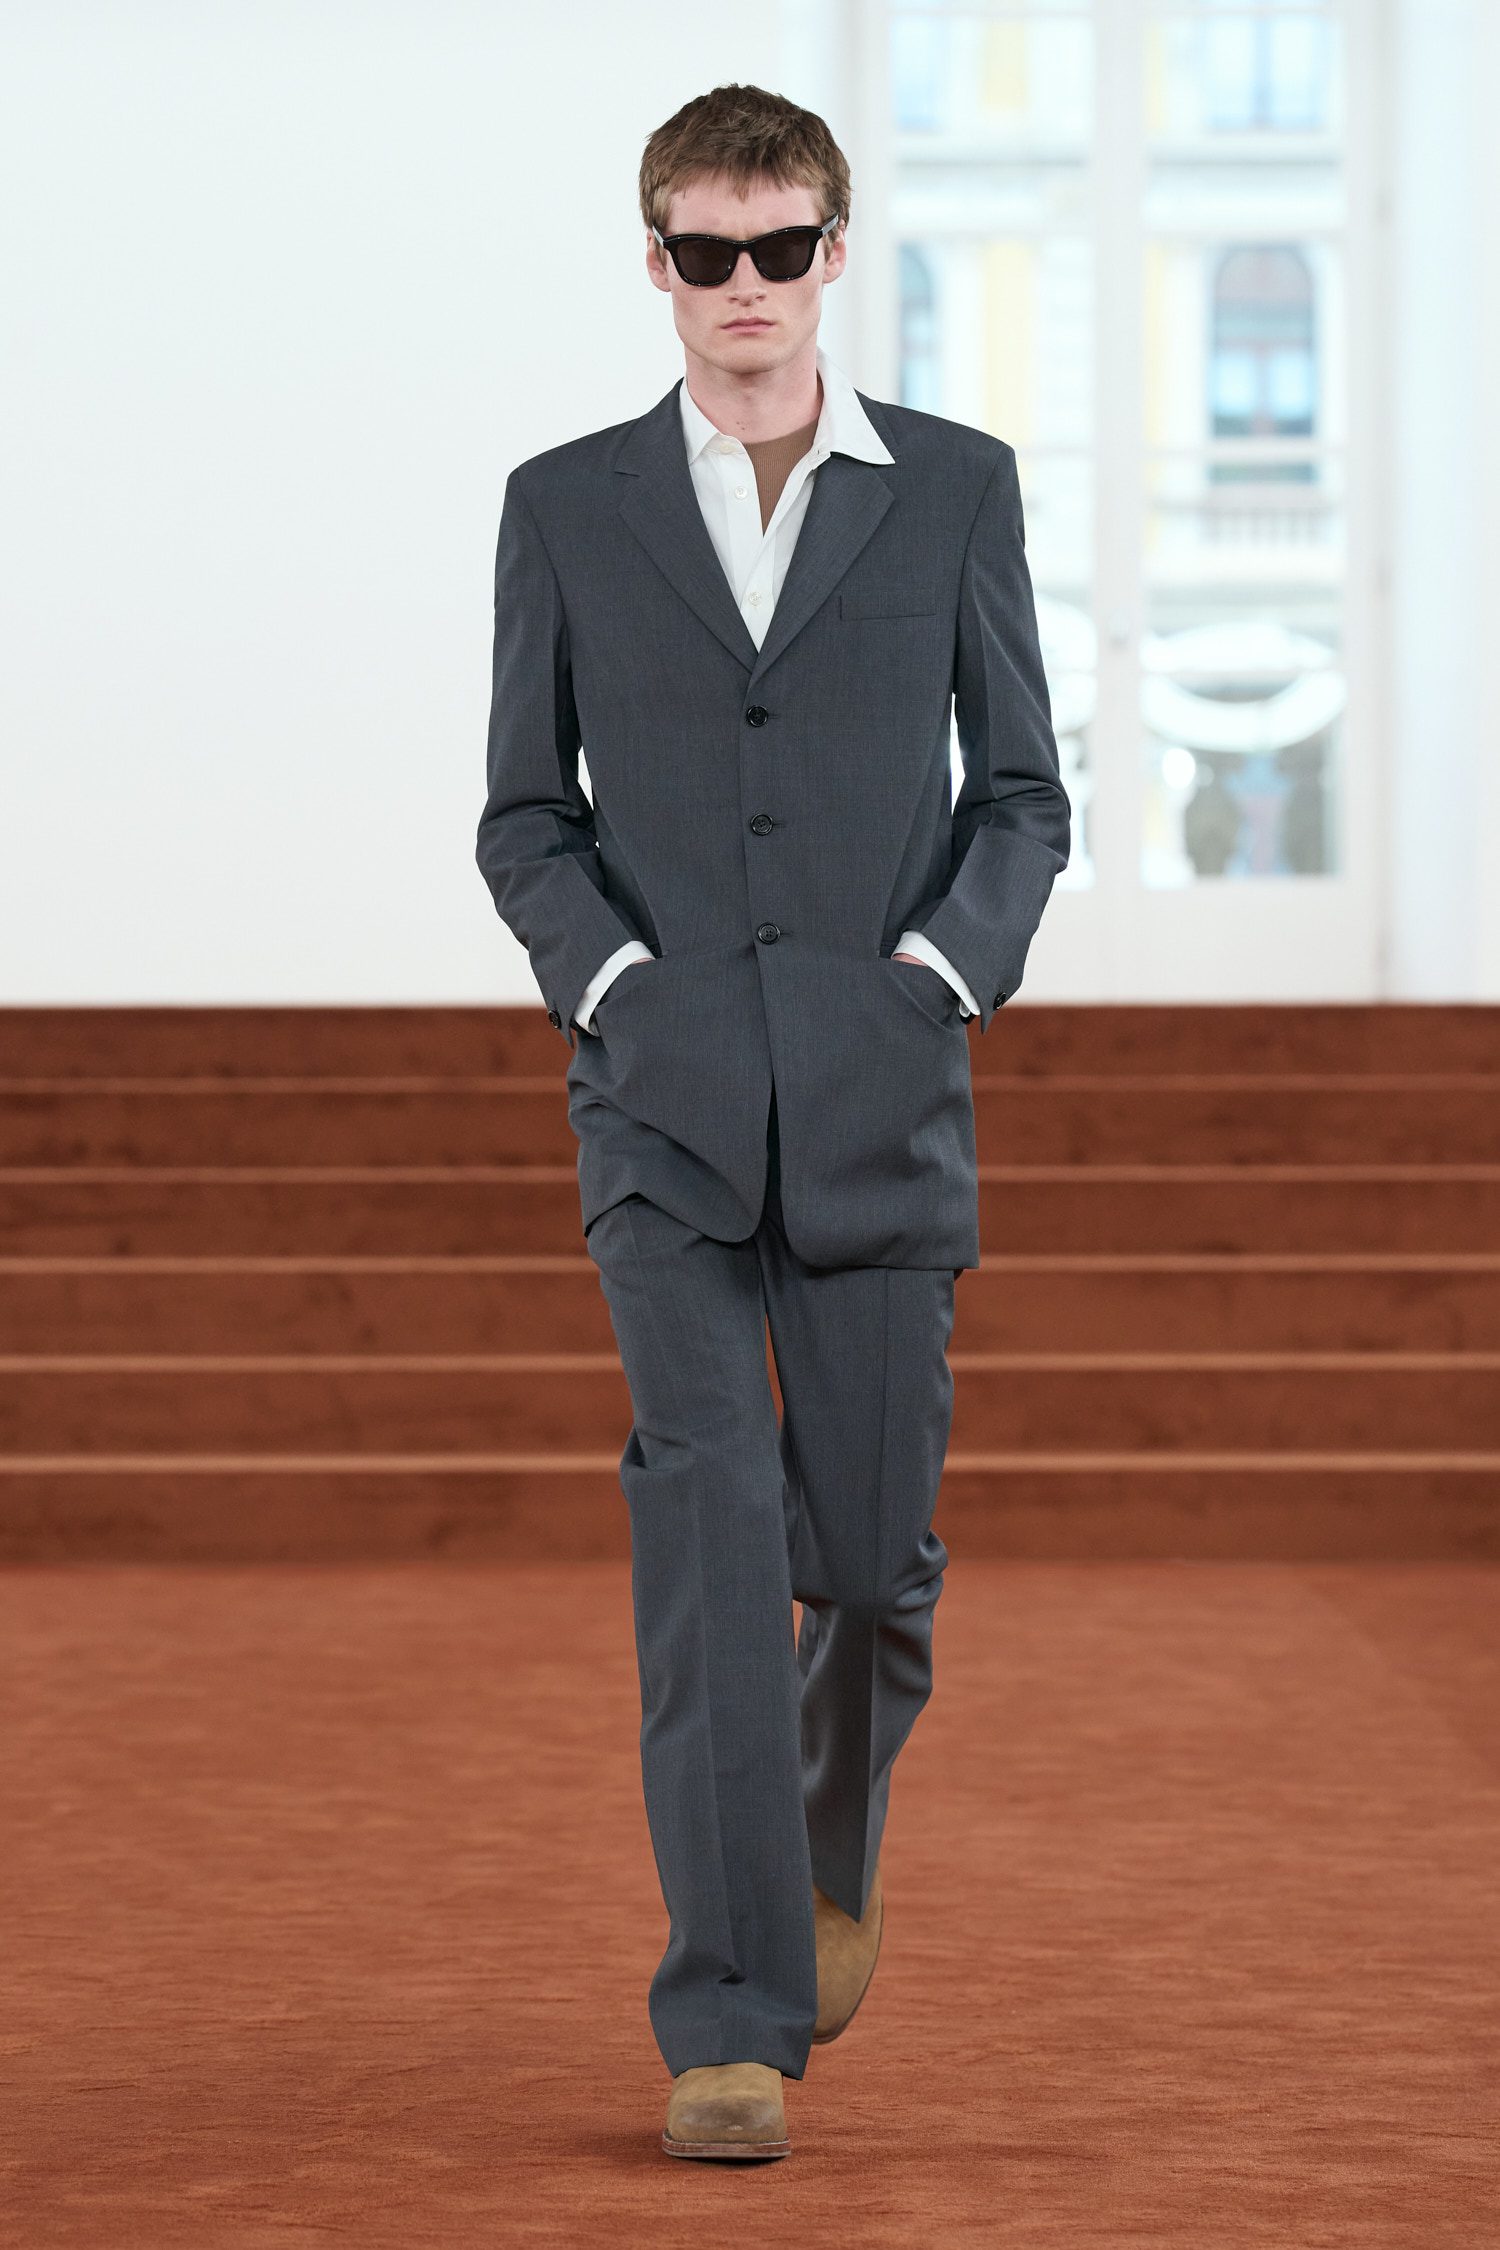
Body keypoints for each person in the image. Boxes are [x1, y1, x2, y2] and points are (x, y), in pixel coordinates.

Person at [476, 81, 1070, 2163]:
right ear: (659, 263)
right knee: (713, 1542)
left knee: (873, 1564)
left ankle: (823, 1844)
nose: (747, 285)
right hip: (662, 1115)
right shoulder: (565, 504)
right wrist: (617, 988)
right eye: (709, 252)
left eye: (783, 246)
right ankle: (727, 2014)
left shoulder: (957, 491)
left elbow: (1023, 794)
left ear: (834, 252)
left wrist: (936, 977)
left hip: (883, 1096)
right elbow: (525, 812)